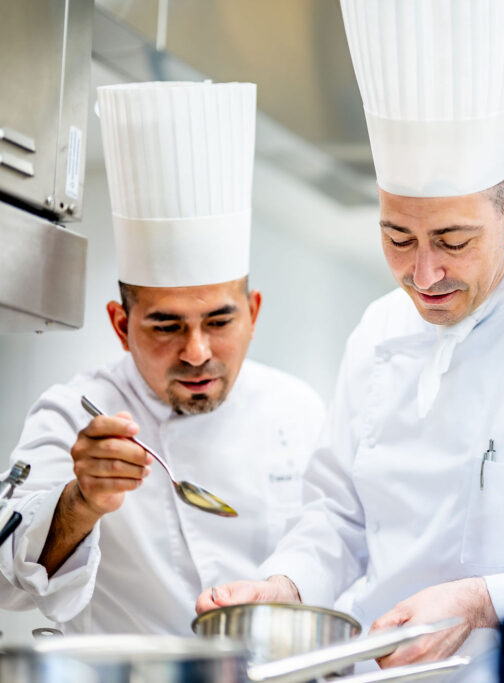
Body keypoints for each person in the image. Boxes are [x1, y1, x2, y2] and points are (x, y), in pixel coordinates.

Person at [197, 0, 504, 672]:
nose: (423, 273)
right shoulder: (377, 332)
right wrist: (286, 585)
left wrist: (486, 600)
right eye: (397, 238)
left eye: (453, 241)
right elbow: (339, 518)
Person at [0, 81, 325, 635]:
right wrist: (83, 500)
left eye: (219, 322)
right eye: (166, 326)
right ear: (121, 326)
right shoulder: (73, 414)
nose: (196, 352)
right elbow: (5, 581)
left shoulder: (299, 409)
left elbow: (336, 544)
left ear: (253, 314)